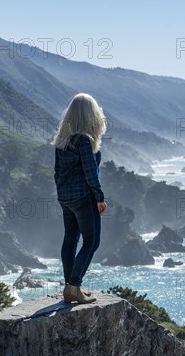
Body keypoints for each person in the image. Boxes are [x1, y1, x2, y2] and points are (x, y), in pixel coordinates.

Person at [53, 93, 107, 304]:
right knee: (92, 241)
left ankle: (70, 287)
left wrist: (62, 195)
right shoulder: (84, 140)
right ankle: (74, 286)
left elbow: (57, 173)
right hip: (83, 197)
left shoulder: (62, 141)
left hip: (65, 198)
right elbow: (90, 172)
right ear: (90, 115)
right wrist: (99, 197)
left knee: (70, 239)